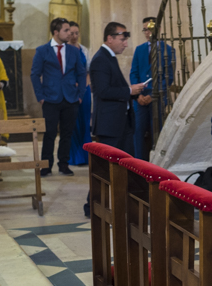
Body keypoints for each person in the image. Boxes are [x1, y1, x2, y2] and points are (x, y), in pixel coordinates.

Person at [31, 18, 86, 177]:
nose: (70, 33)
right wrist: (40, 96)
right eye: (66, 30)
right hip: (50, 98)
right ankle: (46, 165)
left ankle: (64, 164)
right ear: (56, 32)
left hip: (71, 98)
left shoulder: (74, 51)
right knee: (49, 133)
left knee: (67, 133)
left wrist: (80, 94)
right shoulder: (42, 50)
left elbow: (81, 73)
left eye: (70, 30)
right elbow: (35, 74)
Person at [90, 22, 148, 154]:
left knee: (126, 162)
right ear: (110, 38)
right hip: (110, 125)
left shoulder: (109, 57)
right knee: (112, 163)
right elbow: (104, 91)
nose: (126, 44)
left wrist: (135, 92)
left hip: (120, 122)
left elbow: (115, 86)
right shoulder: (100, 59)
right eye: (122, 40)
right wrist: (130, 90)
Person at [129, 17, 177, 159]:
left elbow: (168, 77)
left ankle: (157, 161)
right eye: (145, 29)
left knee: (157, 130)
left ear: (158, 29)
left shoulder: (168, 50)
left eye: (150, 29)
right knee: (138, 130)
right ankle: (138, 161)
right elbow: (134, 72)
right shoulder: (139, 49)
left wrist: (153, 95)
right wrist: (138, 95)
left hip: (158, 97)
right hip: (140, 96)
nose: (147, 32)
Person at [67, 22, 93, 167]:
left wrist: (84, 86)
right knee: (73, 122)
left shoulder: (84, 50)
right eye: (71, 33)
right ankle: (75, 157)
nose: (74, 36)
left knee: (85, 121)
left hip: (84, 90)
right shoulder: (64, 50)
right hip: (70, 91)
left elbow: (88, 71)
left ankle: (86, 155)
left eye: (76, 33)